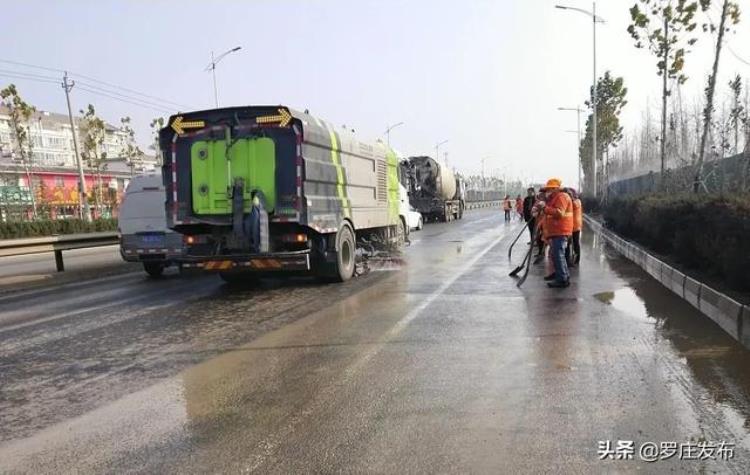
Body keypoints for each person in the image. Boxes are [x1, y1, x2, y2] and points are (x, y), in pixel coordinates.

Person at [541, 178, 573, 288]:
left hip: (561, 231)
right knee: (557, 255)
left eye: (549, 189)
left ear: (556, 188)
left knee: (558, 255)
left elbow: (559, 213)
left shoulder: (562, 197)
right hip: (557, 231)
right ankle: (563, 275)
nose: (547, 191)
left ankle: (562, 279)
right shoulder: (555, 198)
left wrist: (545, 208)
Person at [564, 188, 583, 267]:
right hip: (572, 226)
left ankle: (576, 260)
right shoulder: (573, 202)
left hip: (574, 226)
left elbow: (573, 206)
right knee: (569, 244)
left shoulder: (576, 202)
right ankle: (568, 260)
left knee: (575, 243)